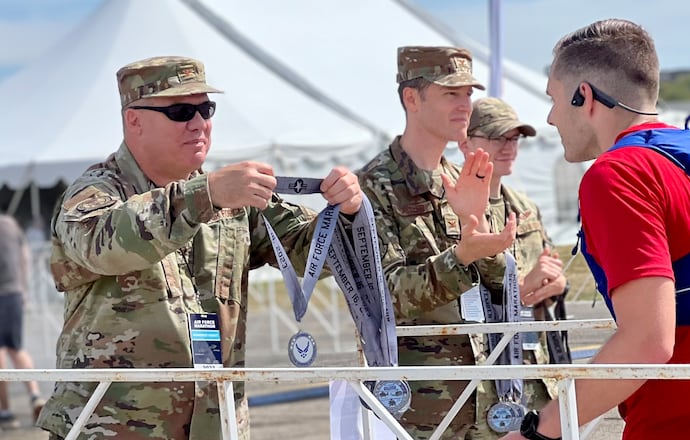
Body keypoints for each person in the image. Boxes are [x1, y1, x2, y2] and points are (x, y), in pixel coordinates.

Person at [37, 56, 363, 440]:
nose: (198, 123)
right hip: (114, 427)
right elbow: (102, 243)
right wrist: (203, 196)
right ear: (134, 121)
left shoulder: (230, 195)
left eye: (205, 109)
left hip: (214, 424)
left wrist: (346, 214)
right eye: (179, 111)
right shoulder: (97, 191)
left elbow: (314, 255)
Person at [503, 18, 690, 440]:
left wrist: (540, 431)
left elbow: (647, 343)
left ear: (585, 96)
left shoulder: (617, 174)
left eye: (554, 98)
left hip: (674, 425)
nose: (549, 117)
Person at [356, 46, 517, 440]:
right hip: (417, 409)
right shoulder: (371, 187)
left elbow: (500, 287)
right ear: (412, 98)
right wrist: (462, 255)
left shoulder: (463, 177)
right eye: (451, 94)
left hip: (484, 396)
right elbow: (385, 296)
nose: (466, 105)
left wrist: (475, 229)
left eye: (467, 94)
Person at [458, 97, 570, 408]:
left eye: (514, 138)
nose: (509, 147)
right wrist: (517, 290)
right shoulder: (452, 208)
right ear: (465, 143)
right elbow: (451, 289)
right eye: (497, 137)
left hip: (535, 365)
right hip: (482, 375)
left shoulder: (524, 207)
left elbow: (551, 268)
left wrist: (555, 286)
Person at [0, 214, 46, 430]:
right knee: (16, 348)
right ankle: (35, 395)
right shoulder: (10, 223)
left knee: (0, 351)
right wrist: (24, 288)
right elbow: (25, 256)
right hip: (15, 294)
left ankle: (5, 412)